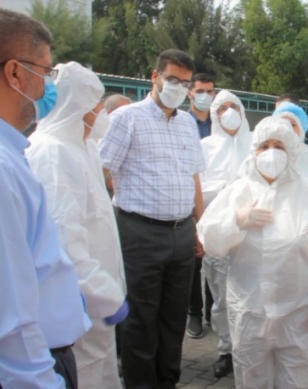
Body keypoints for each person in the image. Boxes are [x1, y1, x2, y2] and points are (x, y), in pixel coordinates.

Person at [0, 9, 91, 388]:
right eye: (45, 71)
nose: (48, 86)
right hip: (1, 373)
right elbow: (4, 322)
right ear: (14, 73)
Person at [197, 116, 308, 389]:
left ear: (292, 150)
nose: (271, 152)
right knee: (252, 380)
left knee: (301, 381)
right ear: (253, 150)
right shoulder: (237, 192)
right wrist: (236, 221)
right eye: (264, 145)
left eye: (279, 145)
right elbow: (210, 242)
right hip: (249, 314)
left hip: (299, 314)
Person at [99, 49, 205, 388]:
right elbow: (102, 171)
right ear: (155, 77)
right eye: (172, 79)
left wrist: (197, 227)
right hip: (139, 233)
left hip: (181, 233)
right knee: (140, 322)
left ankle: (167, 381)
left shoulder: (188, 123)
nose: (178, 87)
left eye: (185, 83)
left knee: (172, 321)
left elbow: (193, 178)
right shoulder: (126, 118)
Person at [26, 62, 128, 389]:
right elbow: (64, 244)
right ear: (79, 108)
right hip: (78, 310)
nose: (103, 113)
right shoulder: (52, 152)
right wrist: (106, 295)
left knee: (102, 372)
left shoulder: (84, 147)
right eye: (98, 105)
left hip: (96, 310)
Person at [199, 90, 252, 378]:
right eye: (223, 108)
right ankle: (225, 349)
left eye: (234, 106)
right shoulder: (205, 146)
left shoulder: (255, 143)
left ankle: (249, 347)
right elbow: (197, 189)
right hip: (218, 234)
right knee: (220, 295)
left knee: (250, 292)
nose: (229, 112)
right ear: (215, 114)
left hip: (251, 235)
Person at [187, 72, 217, 339]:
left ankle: (212, 311)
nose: (205, 96)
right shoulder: (181, 122)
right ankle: (194, 312)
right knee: (192, 262)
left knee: (215, 257)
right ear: (190, 93)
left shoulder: (220, 122)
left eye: (210, 91)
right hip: (188, 201)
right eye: (200, 91)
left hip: (216, 204)